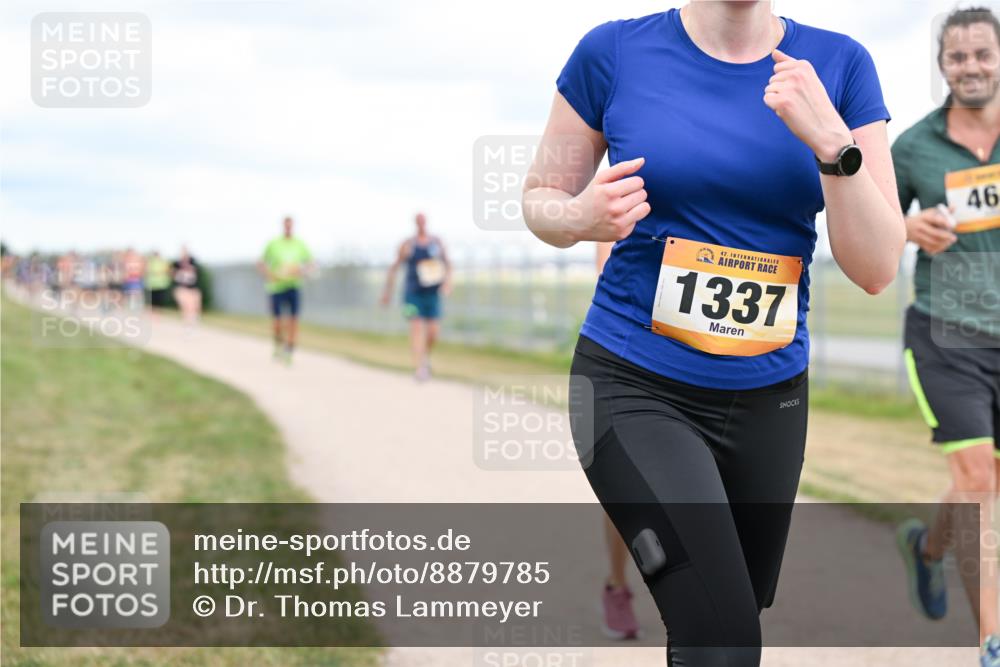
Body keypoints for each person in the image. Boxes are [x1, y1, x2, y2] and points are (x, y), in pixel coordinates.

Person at [522, 2, 904, 665]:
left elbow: (875, 269)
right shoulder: (612, 51)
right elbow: (539, 200)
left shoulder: (839, 66)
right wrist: (579, 215)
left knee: (731, 611)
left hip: (770, 398)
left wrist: (831, 145)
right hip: (631, 381)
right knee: (722, 634)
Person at [891, 8, 1000, 666]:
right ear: (942, 68)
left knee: (978, 482)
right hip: (945, 334)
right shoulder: (912, 148)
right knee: (978, 478)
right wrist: (906, 229)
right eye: (957, 57)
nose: (971, 67)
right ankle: (992, 640)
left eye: (982, 54)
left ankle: (926, 548)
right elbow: (872, 220)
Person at [595, 240, 640, 641]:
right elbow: (606, 262)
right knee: (626, 487)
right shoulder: (637, 179)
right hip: (639, 353)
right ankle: (616, 582)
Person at [380, 213, 452, 382]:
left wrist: (448, 284)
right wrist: (387, 292)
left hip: (432, 294)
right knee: (417, 329)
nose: (421, 224)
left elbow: (448, 265)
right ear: (415, 223)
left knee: (433, 332)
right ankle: (419, 368)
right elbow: (394, 268)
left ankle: (425, 356)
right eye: (418, 221)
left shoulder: (436, 242)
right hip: (412, 294)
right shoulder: (407, 245)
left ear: (426, 222)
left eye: (423, 221)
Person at [258, 216, 314, 363]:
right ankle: (278, 344)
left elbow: (310, 263)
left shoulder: (300, 244)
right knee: (277, 321)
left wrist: (301, 271)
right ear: (283, 226)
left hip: (294, 286)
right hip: (276, 287)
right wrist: (269, 274)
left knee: (293, 320)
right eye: (286, 225)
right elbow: (261, 262)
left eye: (291, 225)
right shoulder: (273, 243)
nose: (288, 228)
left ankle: (289, 350)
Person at [171, 246, 202, 327]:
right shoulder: (176, 264)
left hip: (192, 288)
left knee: (194, 306)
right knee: (186, 306)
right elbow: (173, 274)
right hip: (182, 288)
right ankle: (187, 323)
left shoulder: (193, 262)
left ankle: (193, 322)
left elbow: (195, 274)